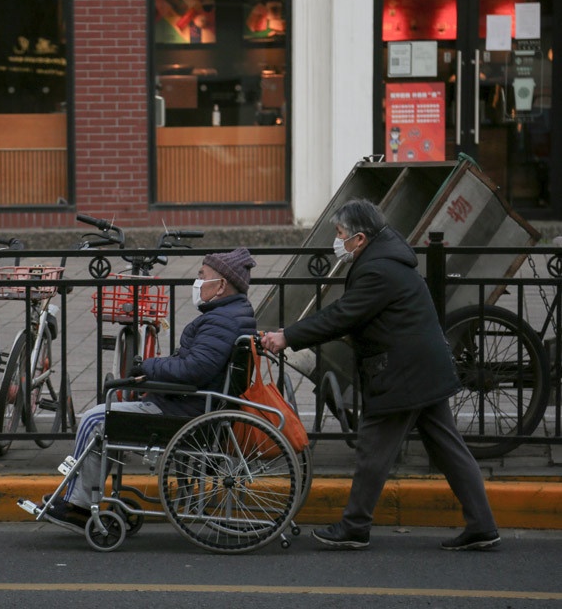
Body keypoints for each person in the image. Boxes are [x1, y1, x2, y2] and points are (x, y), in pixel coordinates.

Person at [261, 199, 499, 552]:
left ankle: (355, 526)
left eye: (340, 233)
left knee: (374, 449)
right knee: (449, 447)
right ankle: (482, 525)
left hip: (403, 372)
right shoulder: (383, 256)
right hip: (421, 368)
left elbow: (344, 314)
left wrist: (288, 336)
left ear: (359, 238)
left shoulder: (378, 269)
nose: (336, 239)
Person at [41, 247, 258, 530]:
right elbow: (195, 364)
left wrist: (149, 367)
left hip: (184, 412)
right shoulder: (232, 314)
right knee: (109, 415)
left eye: (202, 276)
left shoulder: (221, 321)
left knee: (96, 419)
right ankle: (81, 496)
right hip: (193, 406)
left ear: (221, 286)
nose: (197, 282)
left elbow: (194, 369)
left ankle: (78, 505)